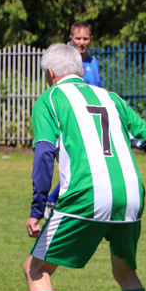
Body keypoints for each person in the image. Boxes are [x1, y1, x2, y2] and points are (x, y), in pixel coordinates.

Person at [16, 43, 146, 291]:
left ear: (50, 73)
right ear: (81, 68)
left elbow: (44, 153)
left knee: (35, 268)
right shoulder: (111, 98)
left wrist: (37, 208)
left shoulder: (49, 100)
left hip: (87, 195)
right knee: (125, 271)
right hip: (131, 196)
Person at [44, 22, 103, 219]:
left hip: (90, 121)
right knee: (75, 164)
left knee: (84, 164)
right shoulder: (66, 62)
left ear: (91, 39)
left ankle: (56, 199)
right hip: (71, 120)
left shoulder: (93, 63)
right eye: (78, 38)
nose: (81, 42)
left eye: (85, 38)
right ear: (71, 39)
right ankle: (53, 198)